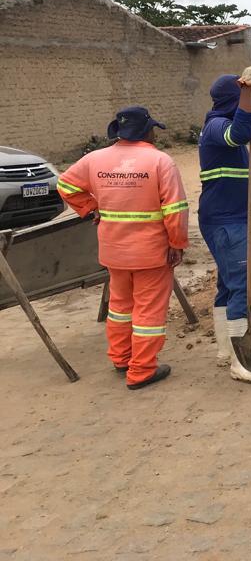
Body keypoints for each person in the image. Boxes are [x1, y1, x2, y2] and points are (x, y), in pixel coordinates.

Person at [57, 106, 188, 390]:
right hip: (151, 253)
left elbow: (65, 184)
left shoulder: (95, 159)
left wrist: (91, 207)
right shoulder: (160, 161)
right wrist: (177, 244)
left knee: (120, 308)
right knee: (148, 313)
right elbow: (176, 210)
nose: (155, 133)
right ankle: (141, 371)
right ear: (146, 131)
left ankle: (121, 358)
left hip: (114, 251)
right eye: (153, 128)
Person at [198, 67, 251, 383]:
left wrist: (249, 96)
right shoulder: (216, 127)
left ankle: (226, 349)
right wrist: (247, 92)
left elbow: (246, 128)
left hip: (230, 217)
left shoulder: (221, 126)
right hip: (226, 221)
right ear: (232, 100)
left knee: (228, 284)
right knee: (244, 283)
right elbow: (240, 132)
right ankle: (241, 360)